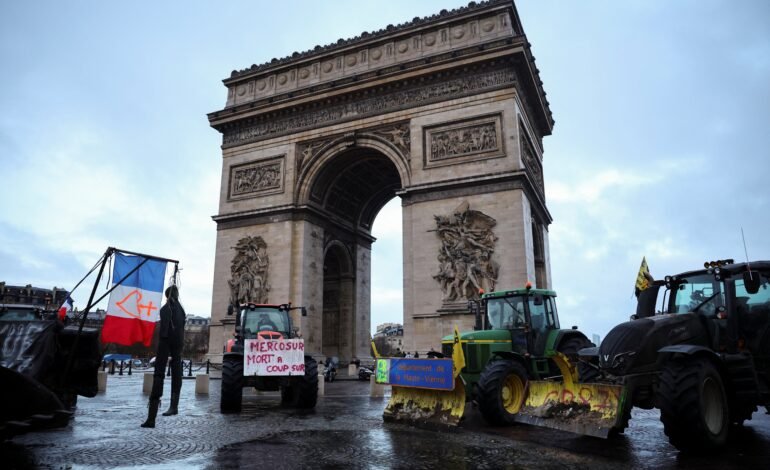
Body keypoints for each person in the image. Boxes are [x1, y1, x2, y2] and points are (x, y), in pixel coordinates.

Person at [141, 285, 186, 428]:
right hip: (177, 343)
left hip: (166, 342)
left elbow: (165, 329)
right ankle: (174, 406)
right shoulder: (181, 310)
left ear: (168, 296)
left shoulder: (167, 309)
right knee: (176, 372)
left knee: (159, 375)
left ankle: (152, 417)